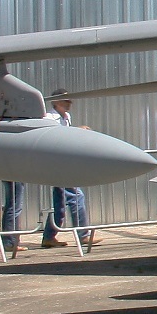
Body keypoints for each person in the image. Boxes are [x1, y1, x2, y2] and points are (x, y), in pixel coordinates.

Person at [39, 91, 93, 248]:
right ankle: (82, 234)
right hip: (57, 165)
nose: (69, 103)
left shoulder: (66, 118)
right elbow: (53, 136)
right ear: (56, 102)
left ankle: (49, 237)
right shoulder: (49, 118)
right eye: (65, 100)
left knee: (60, 204)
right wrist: (76, 131)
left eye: (69, 100)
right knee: (76, 196)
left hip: (62, 164)